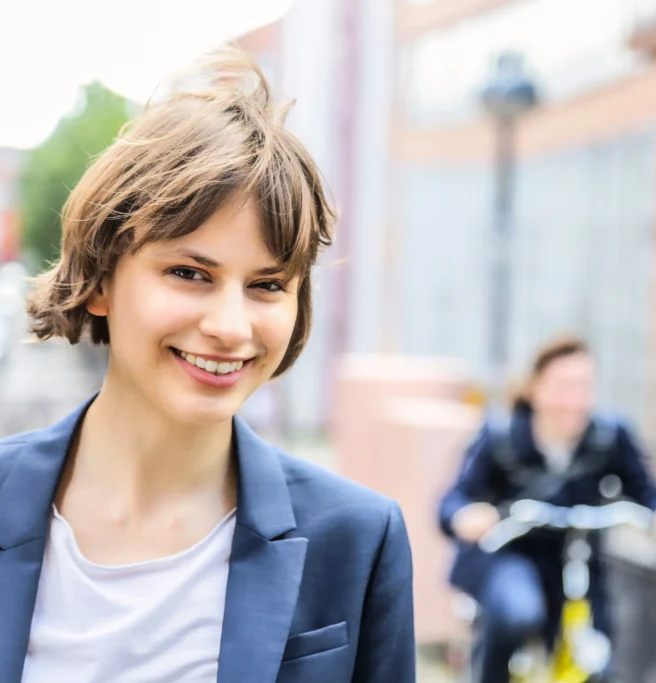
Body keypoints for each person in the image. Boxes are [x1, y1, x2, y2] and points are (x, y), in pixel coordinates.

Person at [0, 48, 414, 683]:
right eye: (189, 273)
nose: (230, 326)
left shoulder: (356, 539)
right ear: (100, 280)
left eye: (268, 285)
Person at [438, 335, 656, 683]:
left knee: (597, 656)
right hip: (512, 557)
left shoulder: (608, 436)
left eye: (584, 387)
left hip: (578, 561)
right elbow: (453, 500)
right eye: (563, 387)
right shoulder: (502, 437)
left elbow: (647, 489)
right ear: (535, 389)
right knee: (518, 613)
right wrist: (468, 517)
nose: (574, 400)